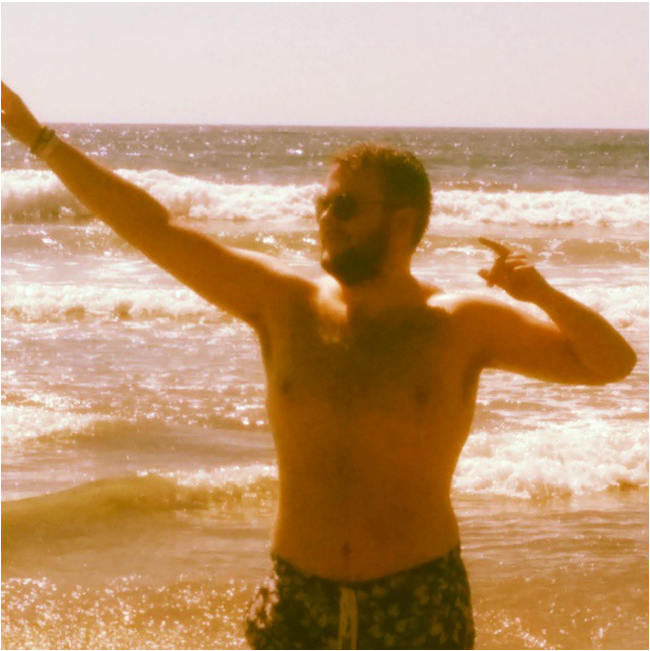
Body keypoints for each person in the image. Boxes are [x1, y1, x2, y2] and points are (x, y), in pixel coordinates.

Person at [1, 82, 637, 650]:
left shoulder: (459, 323)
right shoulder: (283, 305)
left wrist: (544, 294)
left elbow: (611, 363)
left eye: (345, 207)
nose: (325, 220)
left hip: (418, 600)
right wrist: (39, 138)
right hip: (296, 598)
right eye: (322, 204)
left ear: (403, 221)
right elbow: (153, 228)